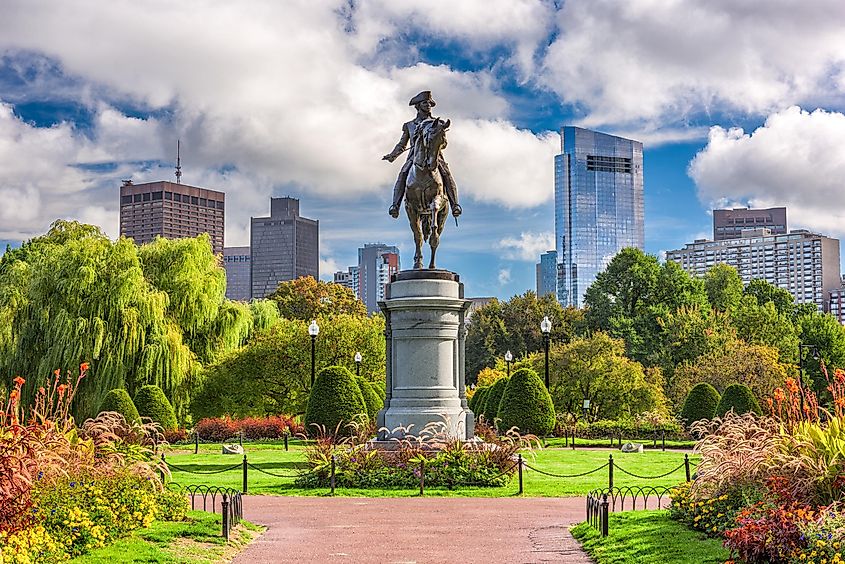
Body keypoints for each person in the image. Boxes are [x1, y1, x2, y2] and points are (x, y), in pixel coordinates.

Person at [382, 91, 462, 218]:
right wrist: (393, 155)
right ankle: (395, 205)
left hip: (434, 156)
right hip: (414, 157)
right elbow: (402, 144)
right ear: (418, 106)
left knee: (446, 174)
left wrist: (437, 144)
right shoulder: (409, 125)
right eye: (425, 103)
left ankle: (455, 205)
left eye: (430, 103)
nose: (428, 105)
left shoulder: (438, 123)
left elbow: (444, 143)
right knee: (403, 174)